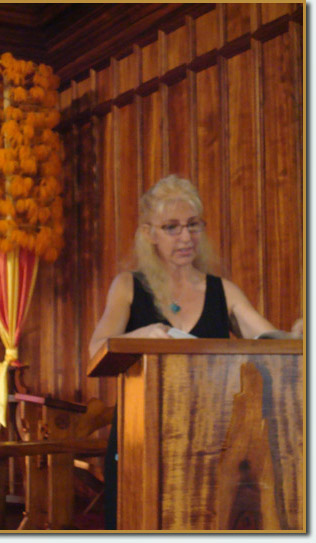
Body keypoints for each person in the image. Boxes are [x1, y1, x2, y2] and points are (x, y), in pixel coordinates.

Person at [88, 174, 303, 530]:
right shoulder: (128, 287)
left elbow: (267, 339)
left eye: (193, 225)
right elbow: (96, 351)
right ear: (148, 233)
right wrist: (140, 335)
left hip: (211, 444)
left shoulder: (223, 291)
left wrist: (298, 336)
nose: (186, 237)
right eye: (171, 227)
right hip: (141, 442)